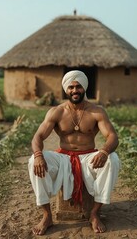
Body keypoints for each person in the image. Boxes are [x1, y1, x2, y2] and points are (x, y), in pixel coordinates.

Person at [28, 70, 120, 235]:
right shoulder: (57, 111)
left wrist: (104, 151)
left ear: (84, 88)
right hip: (63, 157)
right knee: (32, 161)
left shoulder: (96, 111)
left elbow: (112, 136)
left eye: (78, 87)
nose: (74, 90)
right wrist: (38, 156)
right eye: (71, 87)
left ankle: (94, 213)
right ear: (66, 89)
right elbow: (38, 136)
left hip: (88, 157)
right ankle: (47, 215)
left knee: (112, 159)